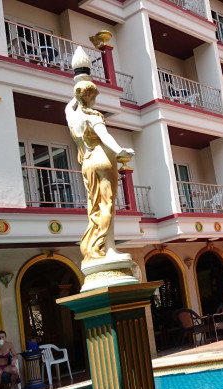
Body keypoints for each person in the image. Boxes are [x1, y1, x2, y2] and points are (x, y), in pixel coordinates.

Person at [65, 73, 135, 269]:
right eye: (93, 97)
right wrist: (120, 150)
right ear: (89, 97)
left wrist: (79, 89)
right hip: (102, 159)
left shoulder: (72, 116)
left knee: (94, 206)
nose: (95, 101)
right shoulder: (92, 116)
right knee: (107, 204)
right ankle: (106, 248)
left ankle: (98, 245)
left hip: (87, 162)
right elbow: (104, 136)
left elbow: (69, 106)